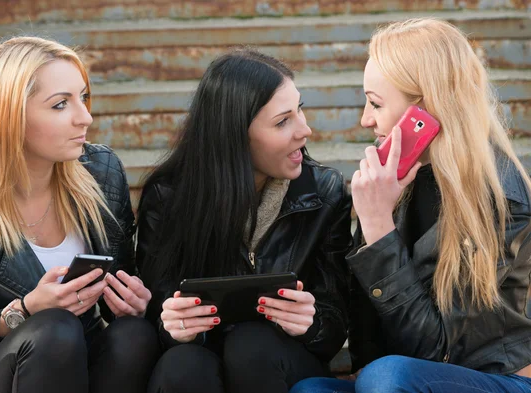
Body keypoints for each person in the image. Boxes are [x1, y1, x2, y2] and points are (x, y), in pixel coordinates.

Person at [290, 18, 531, 393]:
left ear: (425, 110)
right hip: (396, 376)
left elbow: (439, 353)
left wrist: (377, 229)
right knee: (311, 390)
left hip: (489, 379)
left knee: (388, 378)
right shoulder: (402, 176)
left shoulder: (499, 197)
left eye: (375, 103)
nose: (365, 119)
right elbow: (367, 326)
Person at [0, 36, 160, 393]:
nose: (85, 117)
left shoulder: (102, 173)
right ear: (8, 116)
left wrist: (133, 304)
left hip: (75, 365)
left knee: (134, 334)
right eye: (60, 105)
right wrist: (21, 312)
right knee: (54, 329)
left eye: (83, 97)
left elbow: (119, 284)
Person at [135, 49, 353, 393]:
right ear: (234, 135)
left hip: (280, 361)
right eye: (283, 121)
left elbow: (335, 326)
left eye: (300, 110)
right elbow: (153, 316)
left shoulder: (323, 194)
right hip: (199, 361)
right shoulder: (168, 198)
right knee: (182, 365)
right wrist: (173, 324)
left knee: (251, 345)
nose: (305, 130)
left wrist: (311, 323)